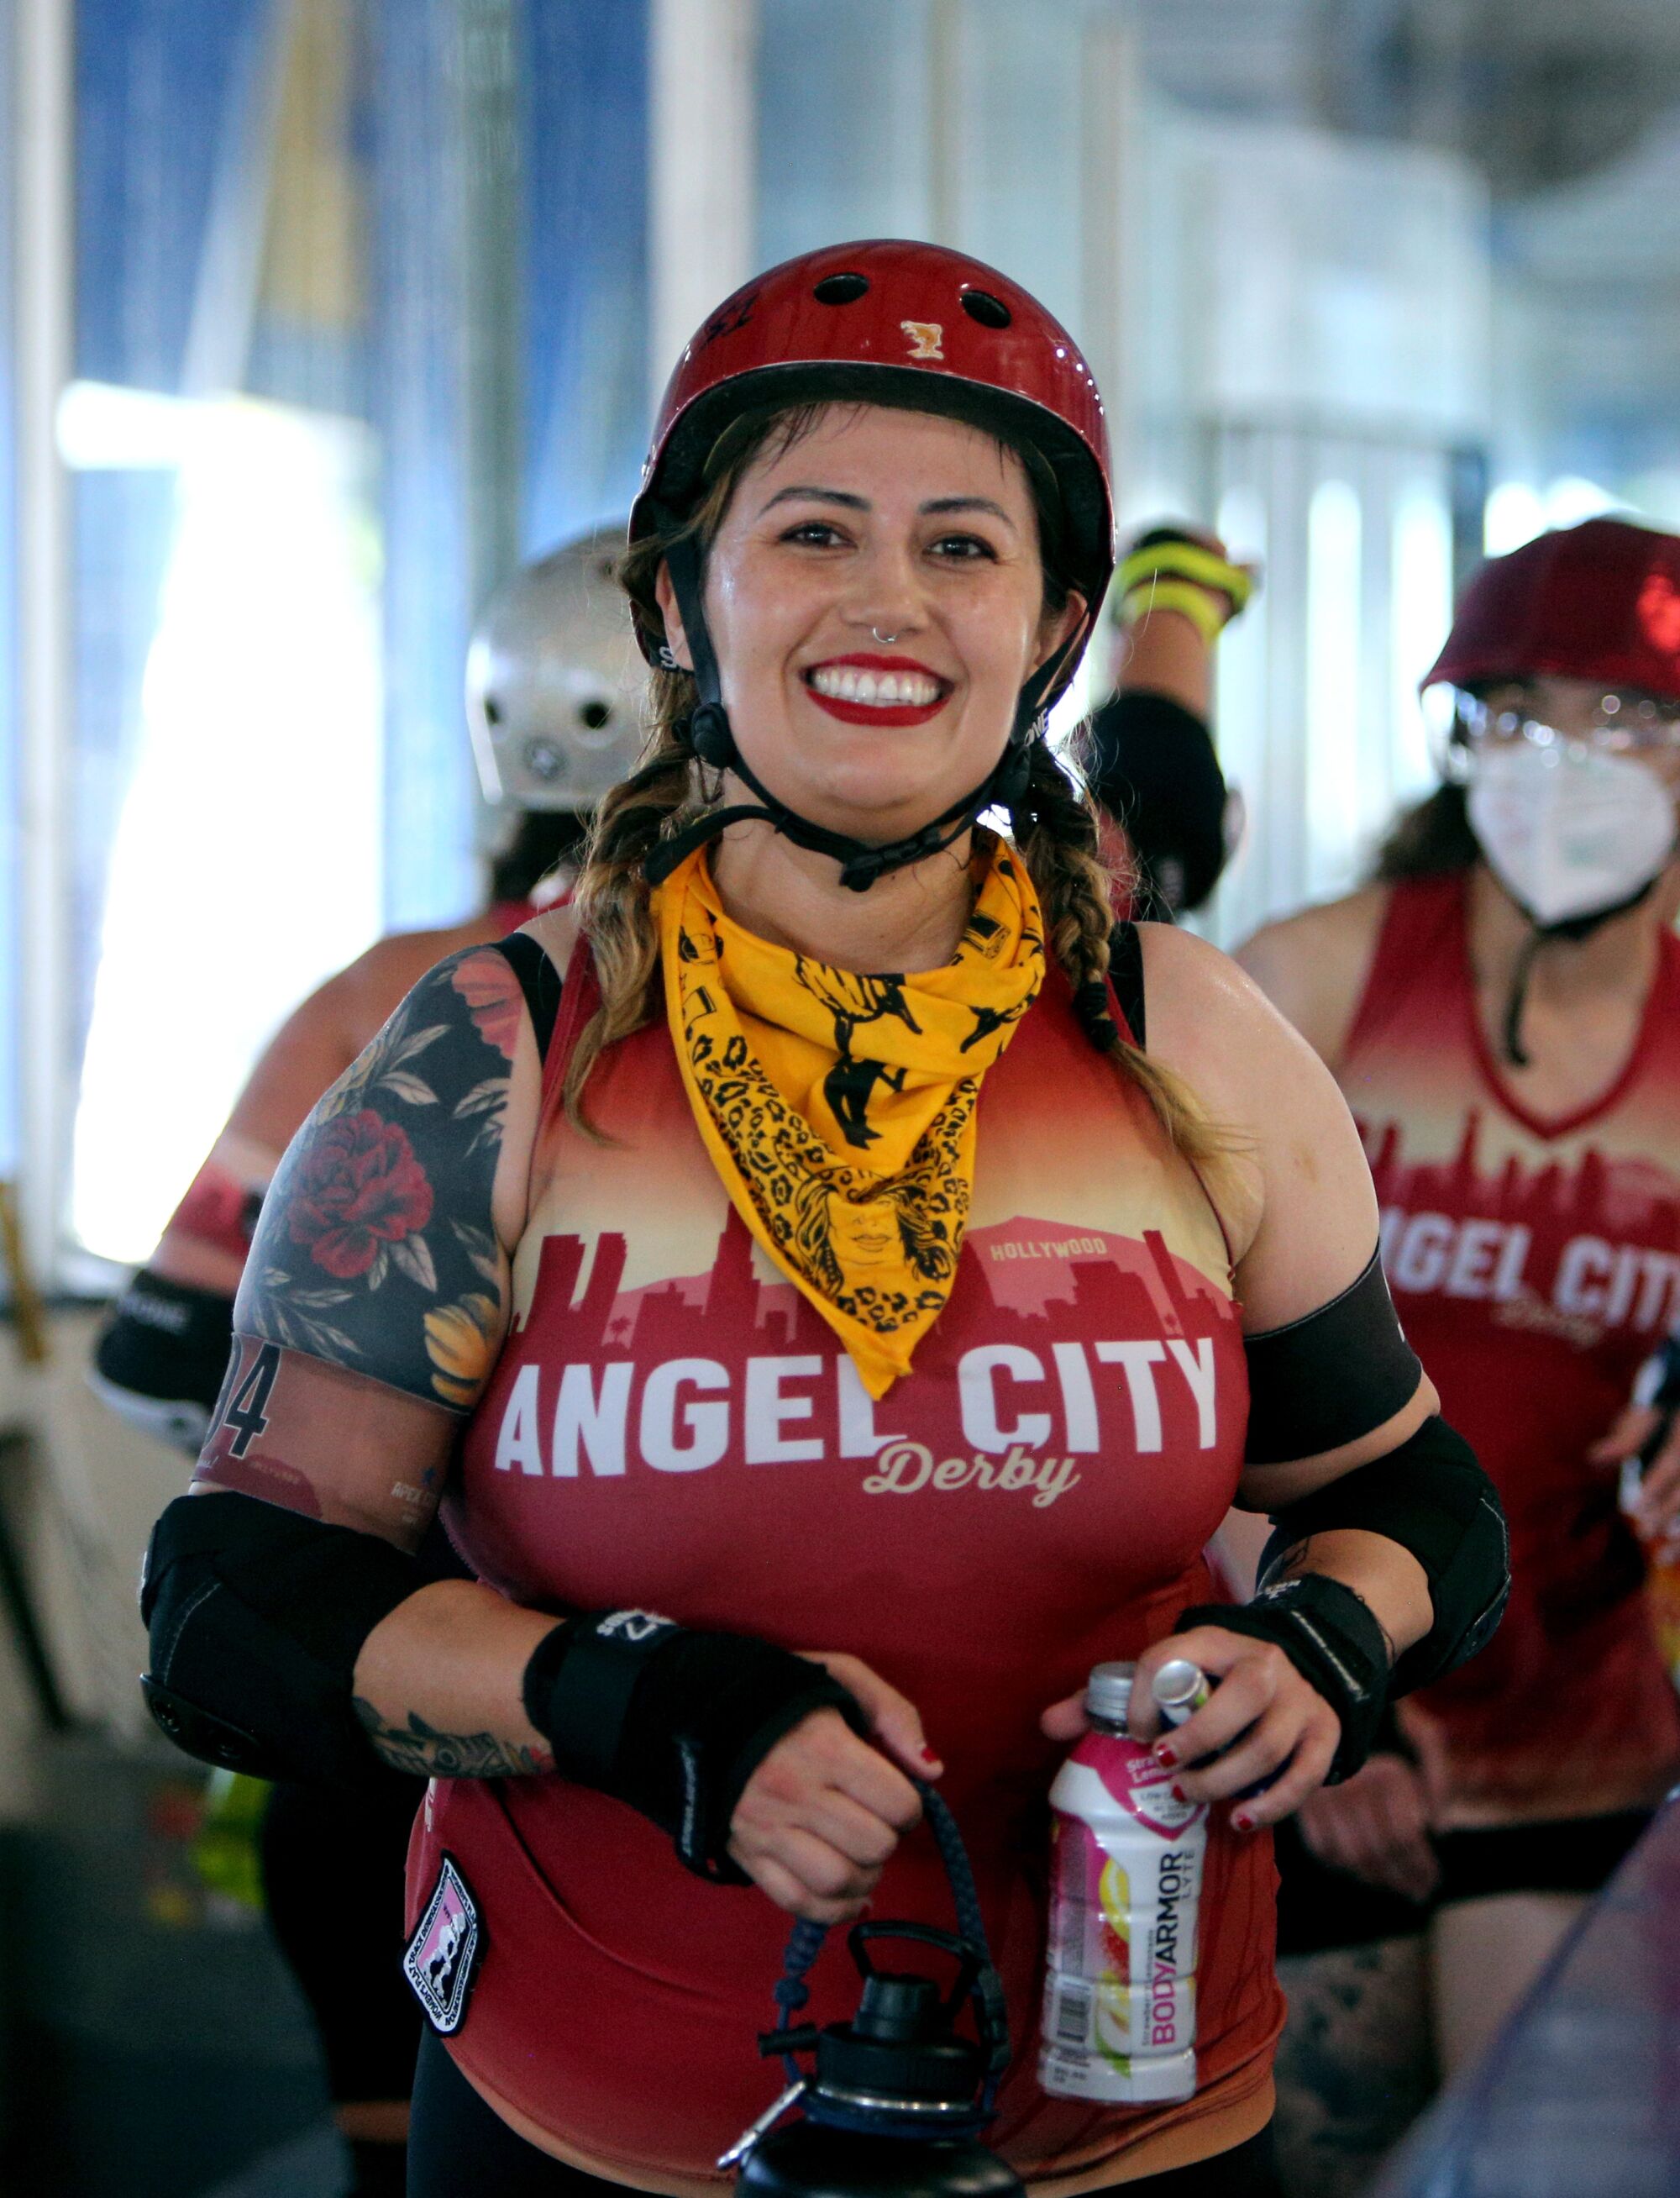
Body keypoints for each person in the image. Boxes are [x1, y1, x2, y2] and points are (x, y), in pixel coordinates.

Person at [138, 239, 1504, 2197]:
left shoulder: (1180, 1031)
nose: (891, 600)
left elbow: (1414, 1503)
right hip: (601, 2116)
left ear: (1050, 629)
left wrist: (1318, 1649)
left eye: (963, 545)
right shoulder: (502, 1055)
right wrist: (639, 1705)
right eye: (814, 532)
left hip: (1132, 2099)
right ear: (683, 604)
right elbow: (231, 1610)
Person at [92, 525, 643, 2198]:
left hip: (378, 1711)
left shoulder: (393, 992)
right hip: (650, 1745)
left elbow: (165, 1344)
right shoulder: (806, 1015)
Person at [1237, 515, 1680, 2191]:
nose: (1580, 764)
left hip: (1568, 1705)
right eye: (1533, 715)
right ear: (1464, 737)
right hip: (1294, 1680)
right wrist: (1311, 1658)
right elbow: (1176, 1343)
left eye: (1632, 722)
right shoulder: (1320, 981)